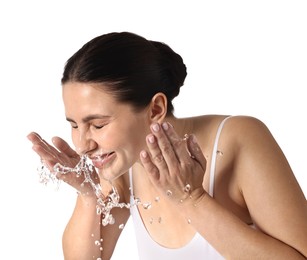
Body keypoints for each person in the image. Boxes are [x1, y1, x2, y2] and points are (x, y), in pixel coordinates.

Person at [27, 31, 307, 260]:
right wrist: (89, 196)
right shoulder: (123, 164)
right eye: (74, 125)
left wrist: (192, 200)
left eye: (98, 125)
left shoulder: (238, 138)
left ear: (156, 108)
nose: (82, 145)